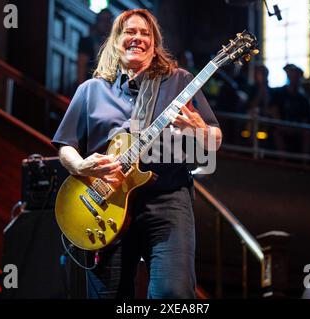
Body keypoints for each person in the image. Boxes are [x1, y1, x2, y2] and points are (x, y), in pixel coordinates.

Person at [52, 9, 222, 299]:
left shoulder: (179, 82)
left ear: (155, 46)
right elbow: (65, 146)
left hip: (166, 201)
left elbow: (215, 140)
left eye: (146, 34)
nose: (138, 38)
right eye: (130, 32)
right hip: (105, 205)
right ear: (116, 41)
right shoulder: (90, 90)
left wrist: (198, 128)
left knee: (173, 294)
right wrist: (81, 165)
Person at [77, 9, 114, 84]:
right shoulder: (87, 41)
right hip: (91, 82)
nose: (106, 24)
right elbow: (81, 65)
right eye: (103, 20)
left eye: (108, 21)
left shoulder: (115, 44)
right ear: (97, 22)